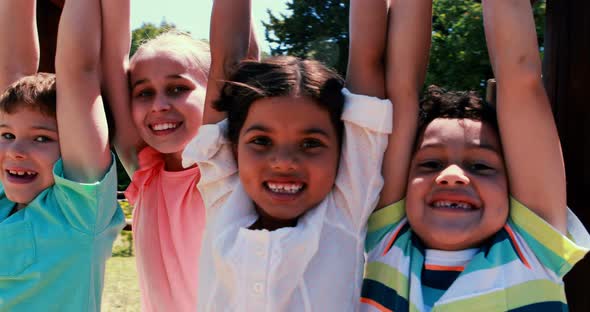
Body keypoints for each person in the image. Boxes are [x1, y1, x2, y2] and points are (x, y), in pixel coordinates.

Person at [181, 0, 429, 309]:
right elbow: (226, 63)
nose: (284, 161)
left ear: (343, 150)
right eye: (261, 141)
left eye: (310, 144)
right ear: (233, 145)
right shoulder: (223, 193)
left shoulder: (346, 206)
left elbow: (368, 57)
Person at [360, 0, 590, 311]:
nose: (452, 175)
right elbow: (400, 87)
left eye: (481, 166)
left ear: (513, 187)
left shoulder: (533, 248)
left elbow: (519, 77)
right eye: (430, 164)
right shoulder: (384, 238)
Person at [0, 0, 124, 310]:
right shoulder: (6, 196)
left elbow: (80, 71)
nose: (16, 151)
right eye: (7, 135)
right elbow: (12, 69)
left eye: (41, 138)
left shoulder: (79, 214)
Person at [102, 8, 210, 310]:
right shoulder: (146, 175)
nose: (159, 105)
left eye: (178, 88)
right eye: (144, 92)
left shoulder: (227, 172)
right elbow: (110, 57)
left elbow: (239, 48)